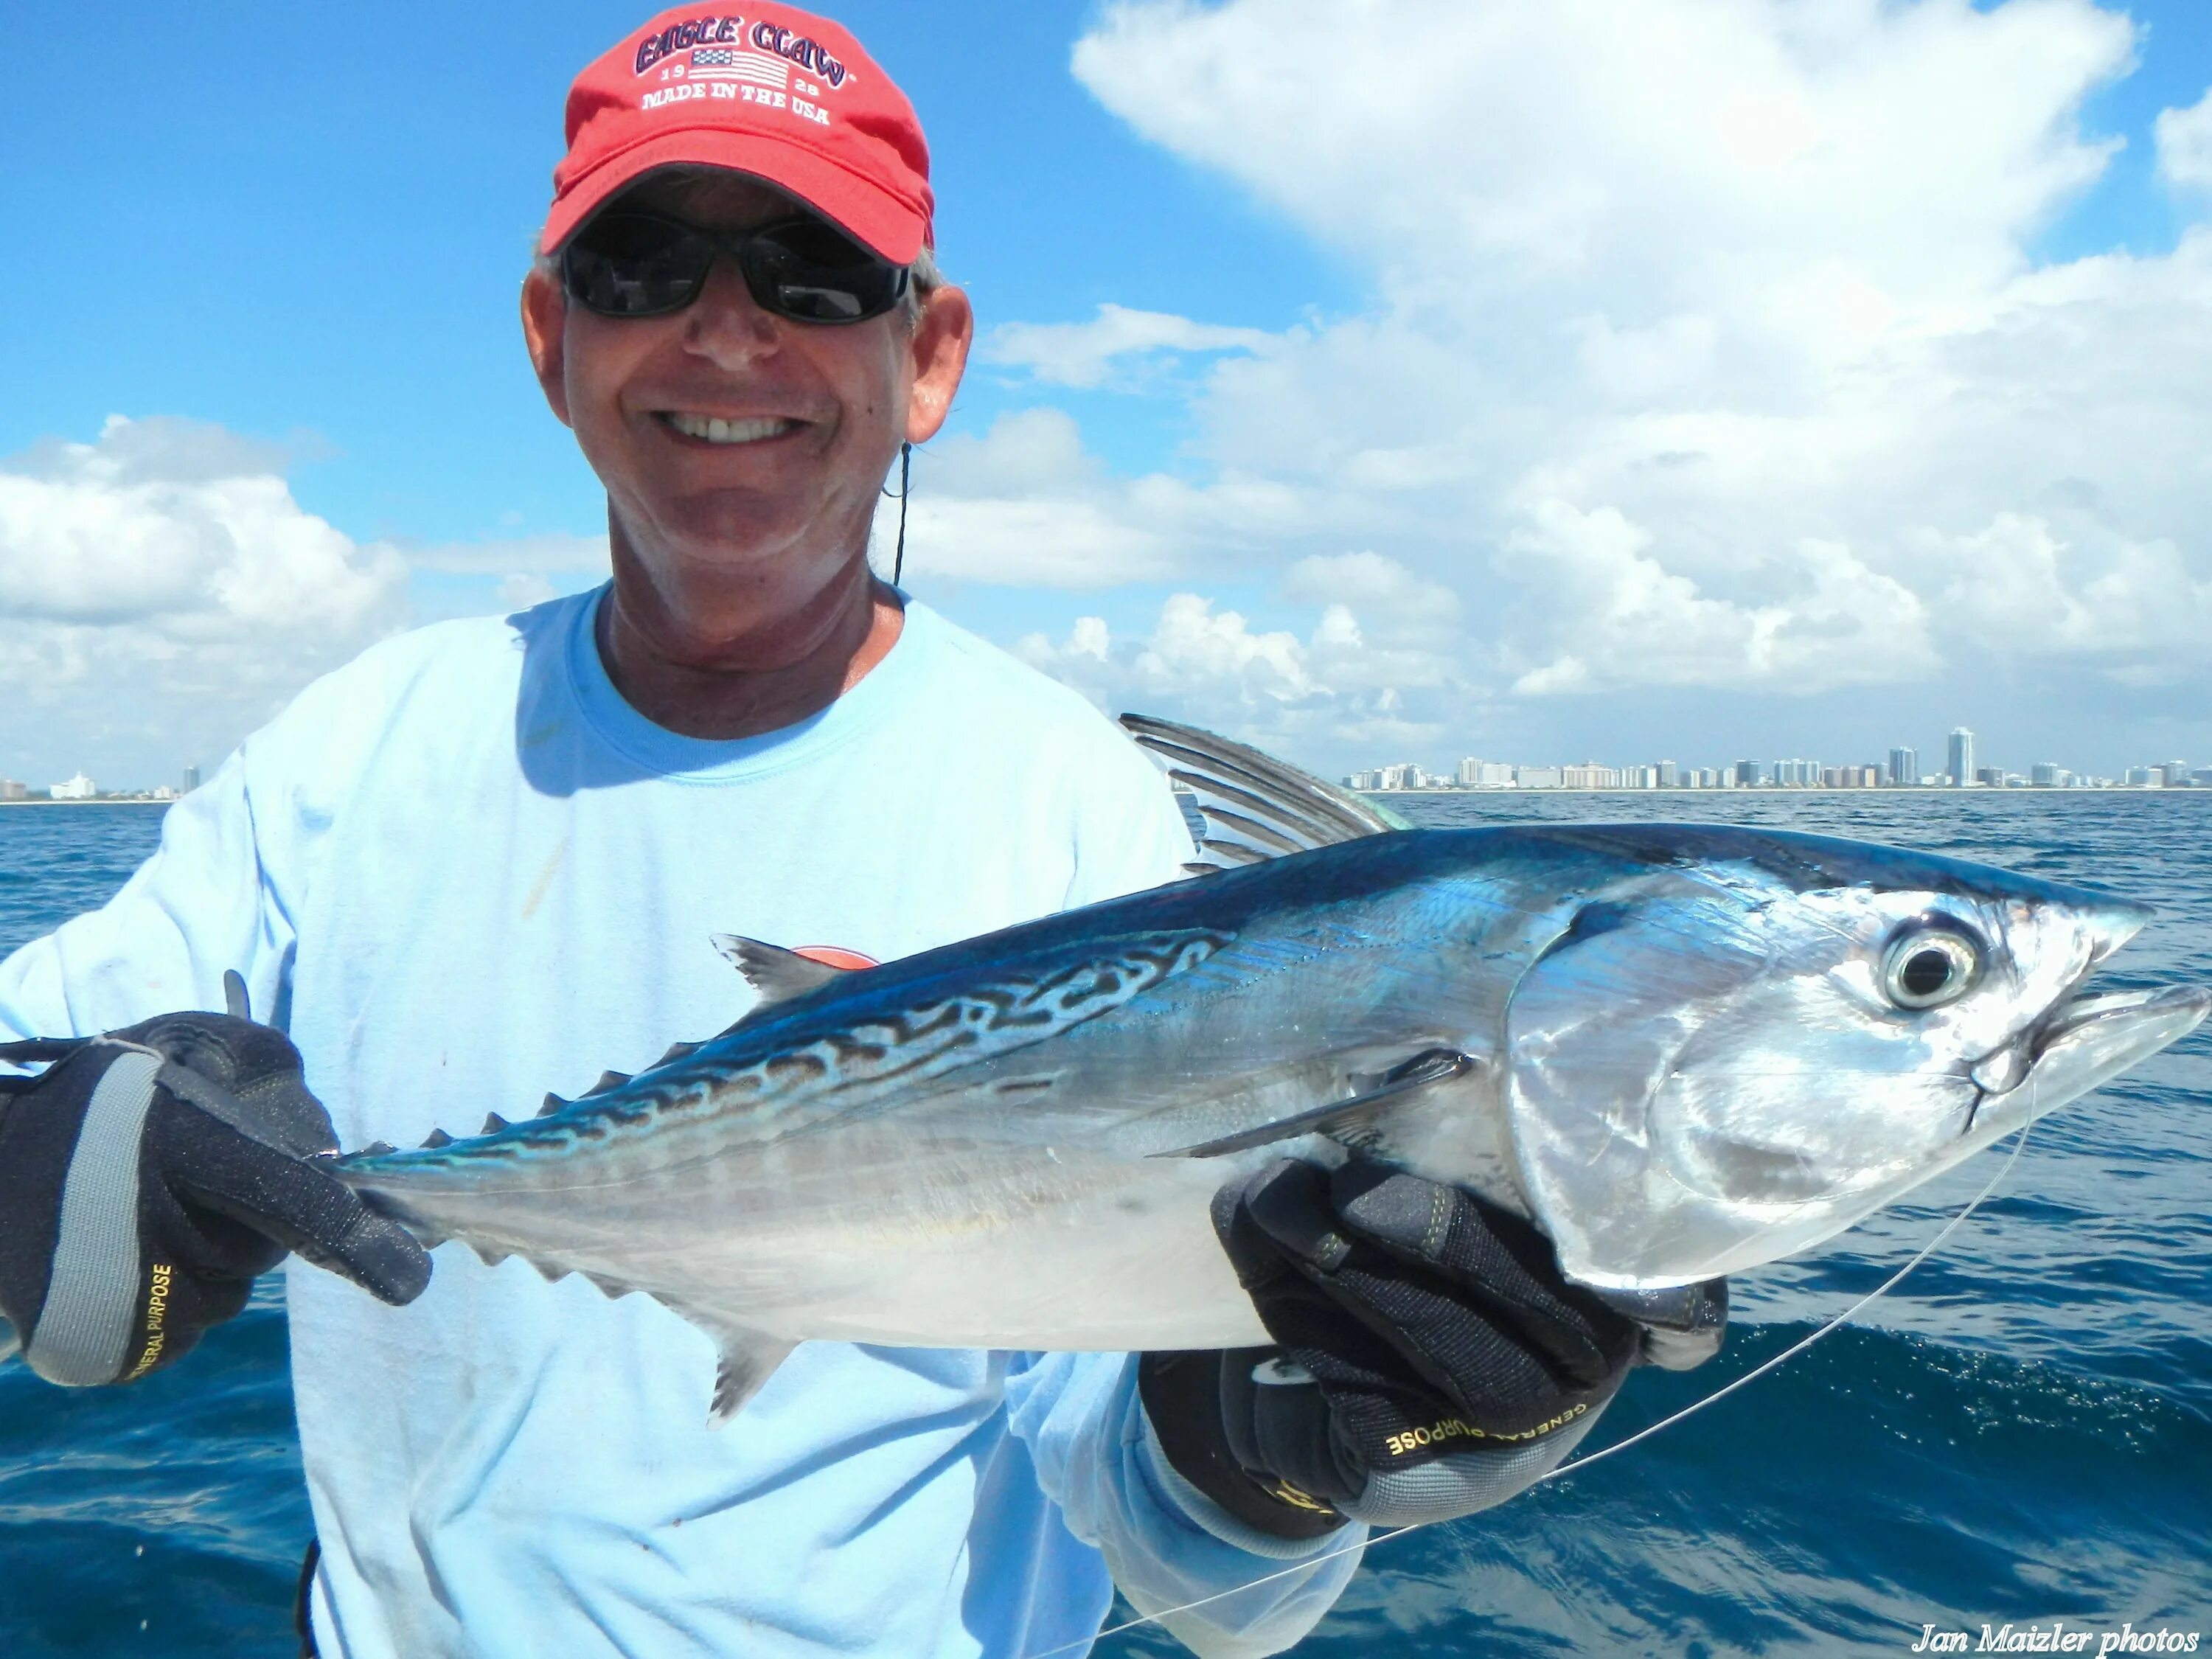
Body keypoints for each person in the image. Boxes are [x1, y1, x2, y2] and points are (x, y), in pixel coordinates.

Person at [0, 7, 1722, 1656]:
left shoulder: (1078, 808)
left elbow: (1195, 1577)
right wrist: (57, 1144)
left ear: (929, 357)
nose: (725, 330)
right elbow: (29, 1075)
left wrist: (1267, 1458)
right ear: (550, 338)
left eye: (812, 271)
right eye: (642, 265)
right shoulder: (358, 751)